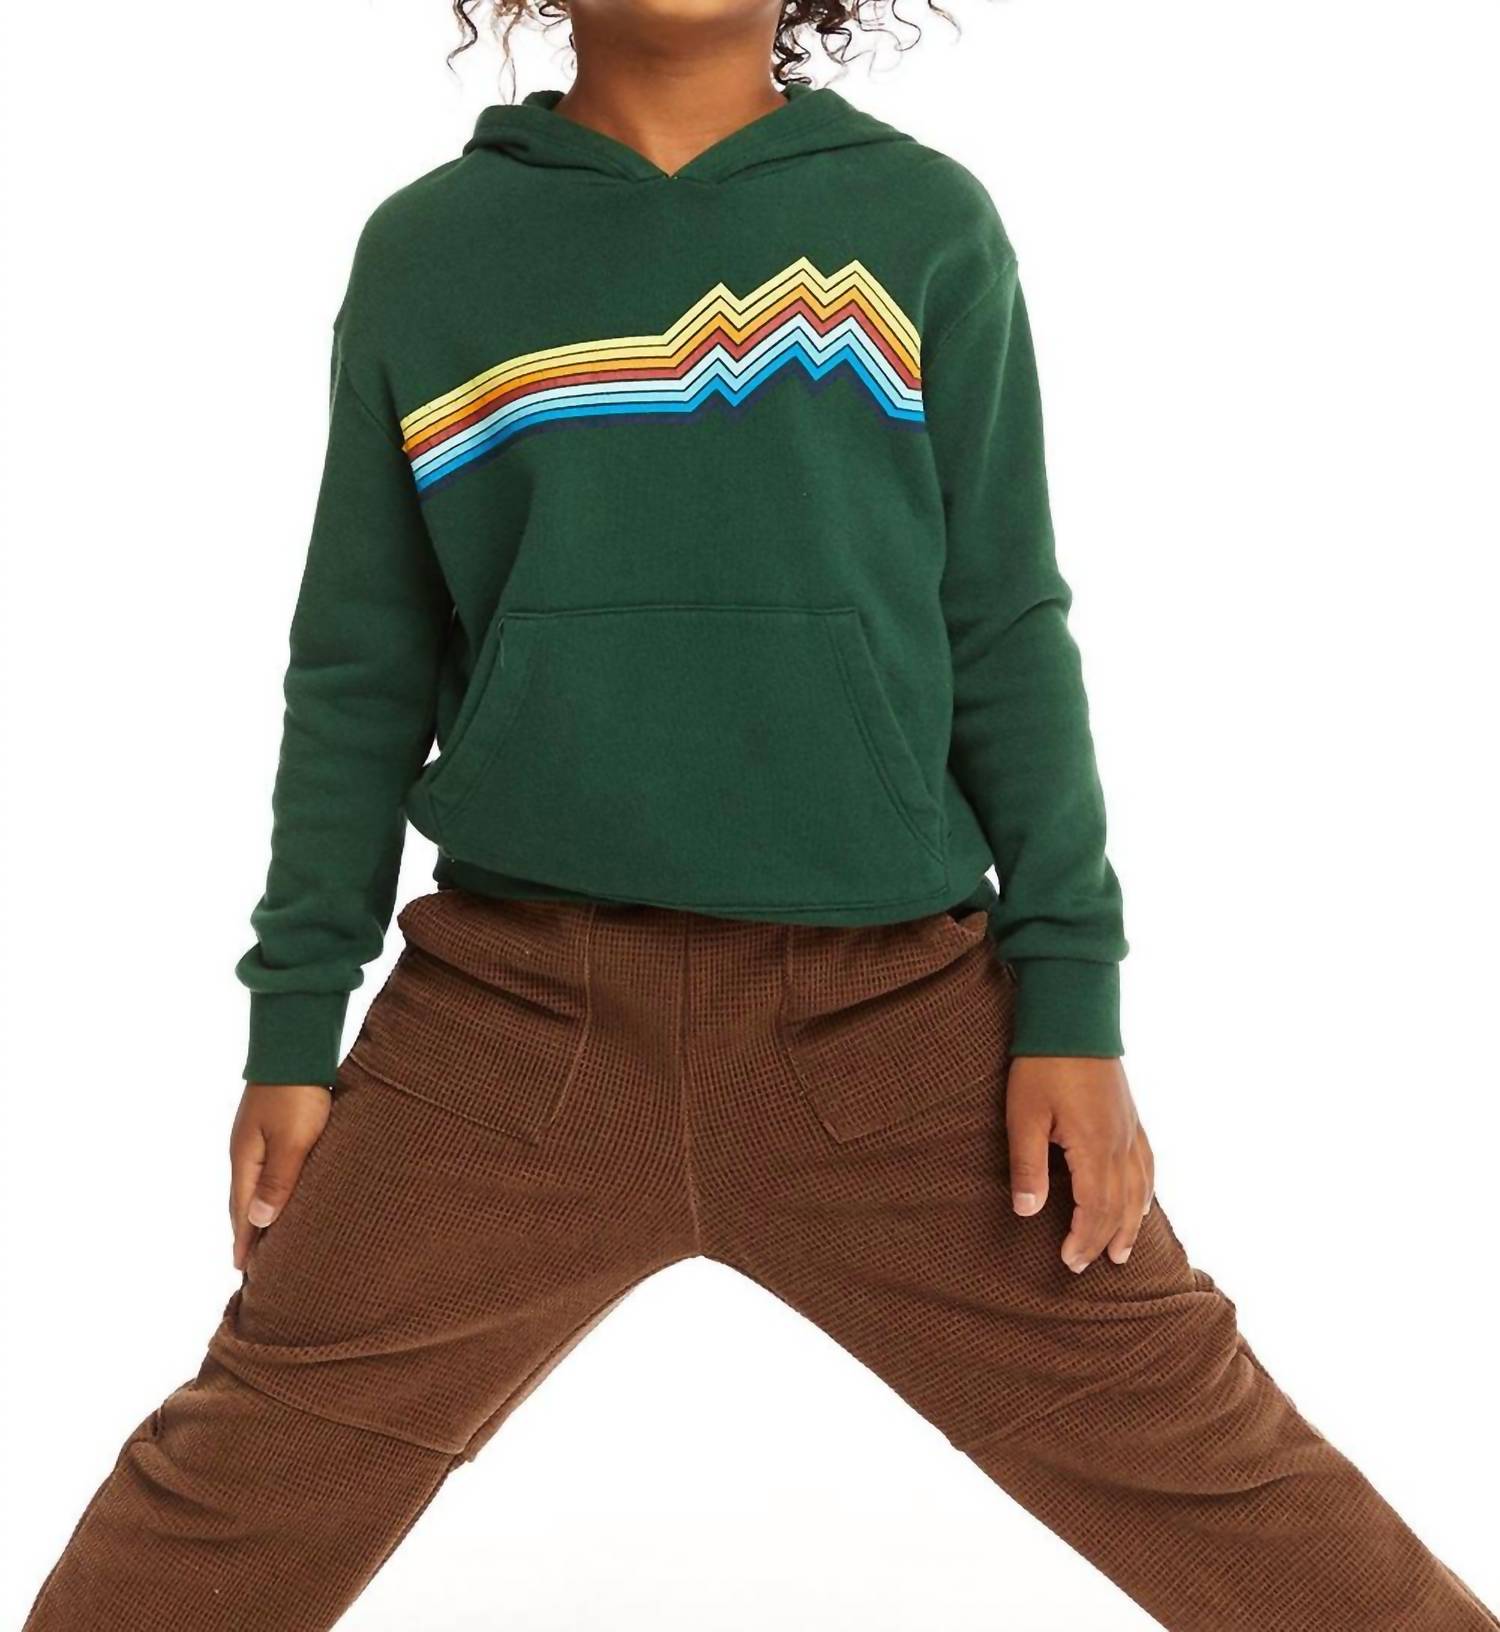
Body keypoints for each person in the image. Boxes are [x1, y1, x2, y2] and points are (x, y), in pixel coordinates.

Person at [22, 0, 1497, 1627]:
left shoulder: (920, 224)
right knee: (220, 1506)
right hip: (511, 1036)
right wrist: (294, 1027)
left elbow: (1005, 624)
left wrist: (1074, 997)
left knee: (1229, 1484)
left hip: (897, 1038)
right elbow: (360, 666)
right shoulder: (432, 252)